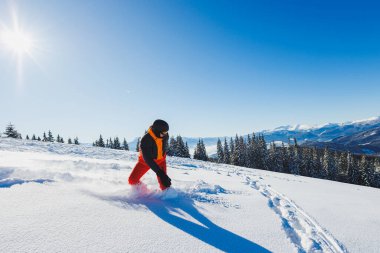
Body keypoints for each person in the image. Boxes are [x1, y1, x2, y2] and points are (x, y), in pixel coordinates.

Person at [128, 119, 172, 190]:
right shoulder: (146, 139)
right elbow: (148, 159)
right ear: (156, 131)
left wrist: (163, 175)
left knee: (165, 185)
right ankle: (144, 191)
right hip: (145, 162)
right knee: (132, 180)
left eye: (166, 132)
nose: (165, 134)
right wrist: (160, 173)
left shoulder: (165, 136)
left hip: (161, 161)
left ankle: (170, 197)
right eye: (163, 132)